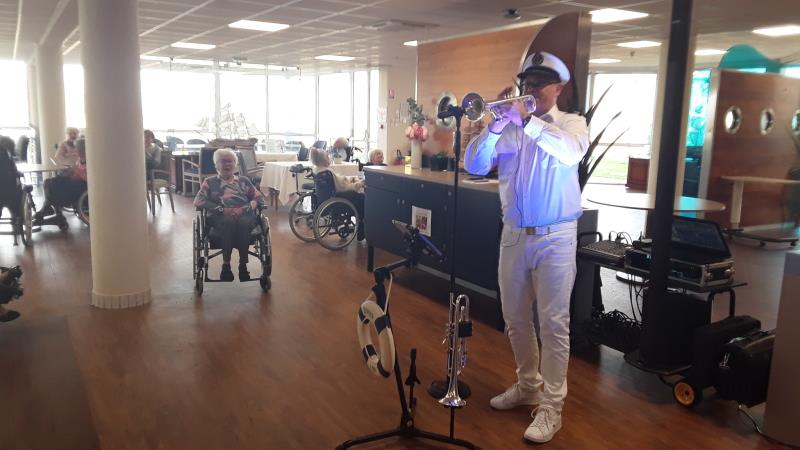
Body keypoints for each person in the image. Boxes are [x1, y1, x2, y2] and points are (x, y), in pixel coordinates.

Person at [464, 51, 589, 444]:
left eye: (540, 84)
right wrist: (496, 126)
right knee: (515, 319)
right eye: (527, 84)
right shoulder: (510, 128)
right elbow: (474, 165)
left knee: (553, 324)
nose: (532, 90)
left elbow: (571, 152)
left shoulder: (572, 125)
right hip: (514, 235)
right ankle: (528, 385)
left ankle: (552, 407)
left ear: (558, 88)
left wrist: (528, 121)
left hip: (556, 237)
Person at [193, 148, 265, 282]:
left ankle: (243, 265)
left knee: (243, 223)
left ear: (235, 164)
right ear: (216, 165)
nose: (227, 165)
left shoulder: (243, 181)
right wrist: (221, 209)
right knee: (228, 222)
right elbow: (198, 201)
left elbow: (259, 198)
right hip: (219, 216)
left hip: (244, 214)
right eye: (223, 161)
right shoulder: (210, 182)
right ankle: (226, 265)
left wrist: (244, 208)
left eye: (230, 161)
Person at [309, 147, 365, 240]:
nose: (329, 157)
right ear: (323, 160)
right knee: (361, 198)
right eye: (327, 156)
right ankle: (361, 226)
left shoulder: (317, 169)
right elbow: (341, 188)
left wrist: (348, 179)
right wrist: (357, 185)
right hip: (337, 199)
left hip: (325, 198)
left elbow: (337, 182)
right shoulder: (327, 171)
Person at [34, 138, 88, 226]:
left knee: (55, 185)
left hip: (82, 186)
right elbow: (76, 171)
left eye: (77, 148)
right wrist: (69, 172)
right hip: (75, 182)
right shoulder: (80, 160)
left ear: (82, 150)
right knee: (48, 182)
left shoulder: (90, 161)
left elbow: (88, 179)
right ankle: (49, 208)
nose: (75, 150)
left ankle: (51, 210)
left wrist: (76, 171)